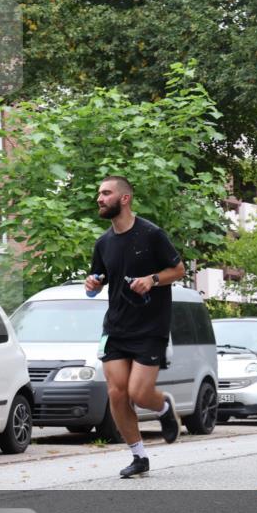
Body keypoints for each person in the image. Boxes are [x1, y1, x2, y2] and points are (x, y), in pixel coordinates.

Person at [85, 175, 186, 478]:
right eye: (99, 193)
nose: (99, 199)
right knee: (117, 393)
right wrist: (91, 284)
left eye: (106, 193)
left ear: (124, 198)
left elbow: (178, 270)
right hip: (116, 328)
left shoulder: (151, 234)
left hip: (150, 327)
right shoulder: (103, 243)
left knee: (139, 394)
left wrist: (152, 279)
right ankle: (138, 455)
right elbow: (96, 282)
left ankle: (164, 408)